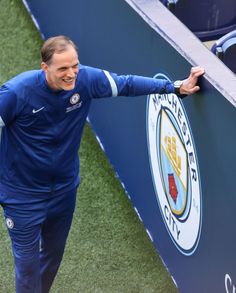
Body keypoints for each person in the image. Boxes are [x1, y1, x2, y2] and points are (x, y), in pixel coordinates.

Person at [0, 35, 204, 293]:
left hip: (64, 189)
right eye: (63, 68)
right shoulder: (16, 93)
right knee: (27, 268)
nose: (71, 73)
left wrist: (176, 87)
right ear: (45, 68)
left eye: (74, 65)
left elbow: (126, 84)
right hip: (22, 197)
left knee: (52, 257)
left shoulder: (85, 79)